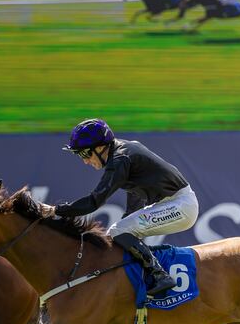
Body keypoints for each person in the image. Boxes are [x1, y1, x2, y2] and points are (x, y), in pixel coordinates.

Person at [50, 118, 199, 297]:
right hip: (176, 203)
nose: (85, 162)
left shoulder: (119, 159)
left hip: (181, 206)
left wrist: (55, 210)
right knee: (121, 232)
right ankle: (147, 273)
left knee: (118, 231)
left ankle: (160, 276)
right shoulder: (122, 151)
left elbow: (93, 202)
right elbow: (135, 191)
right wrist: (128, 219)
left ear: (99, 148)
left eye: (84, 154)